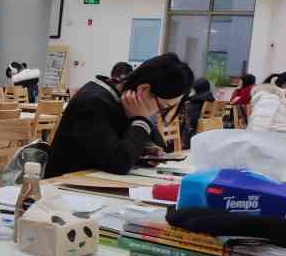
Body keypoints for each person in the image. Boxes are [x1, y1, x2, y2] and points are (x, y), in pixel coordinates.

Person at [46, 53, 193, 177]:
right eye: (163, 107)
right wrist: (141, 120)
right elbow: (118, 163)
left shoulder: (125, 103)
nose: (158, 112)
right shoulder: (93, 102)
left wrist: (148, 148)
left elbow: (160, 148)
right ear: (144, 89)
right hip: (65, 188)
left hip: (94, 185)